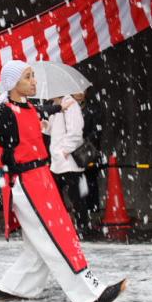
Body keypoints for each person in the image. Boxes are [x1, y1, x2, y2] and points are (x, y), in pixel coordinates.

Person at [0, 59, 126, 302]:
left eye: (32, 76)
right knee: (55, 237)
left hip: (41, 180)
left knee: (40, 243)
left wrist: (59, 106)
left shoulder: (28, 107)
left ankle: (12, 287)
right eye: (28, 77)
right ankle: (91, 293)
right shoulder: (4, 110)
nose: (34, 81)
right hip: (26, 183)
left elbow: (44, 111)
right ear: (13, 83)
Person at [47, 93, 90, 234]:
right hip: (58, 159)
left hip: (68, 160)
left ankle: (82, 226)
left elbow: (76, 131)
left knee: (75, 196)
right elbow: (53, 129)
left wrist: (65, 149)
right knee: (59, 195)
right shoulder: (55, 106)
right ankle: (68, 224)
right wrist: (44, 126)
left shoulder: (70, 104)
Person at [78, 90, 102, 216]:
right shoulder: (67, 108)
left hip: (88, 150)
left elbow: (97, 130)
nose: (80, 93)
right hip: (73, 152)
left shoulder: (92, 108)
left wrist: (84, 141)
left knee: (91, 181)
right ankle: (81, 213)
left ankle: (93, 212)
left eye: (82, 91)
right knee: (76, 184)